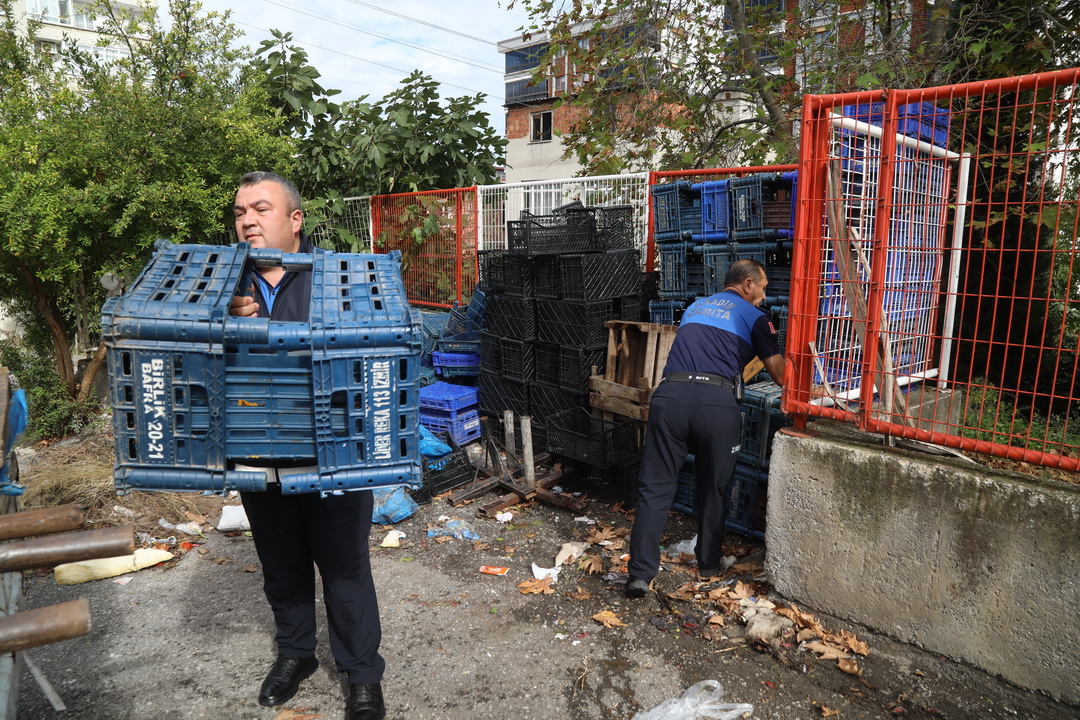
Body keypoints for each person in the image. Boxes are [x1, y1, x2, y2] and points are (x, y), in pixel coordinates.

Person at [229, 171, 387, 720]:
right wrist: (224, 324)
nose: (248, 219)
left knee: (344, 569)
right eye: (240, 211)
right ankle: (296, 654)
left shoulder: (340, 278)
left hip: (333, 452)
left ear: (295, 220)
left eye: (261, 208)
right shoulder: (225, 285)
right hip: (259, 449)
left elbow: (375, 353)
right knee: (282, 565)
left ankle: (362, 674)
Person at [626, 258, 784, 598]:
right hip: (716, 405)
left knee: (654, 487)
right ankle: (708, 565)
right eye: (762, 287)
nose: (764, 296)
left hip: (669, 398)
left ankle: (639, 575)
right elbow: (779, 373)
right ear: (746, 284)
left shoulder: (696, 308)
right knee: (713, 488)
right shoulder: (756, 319)